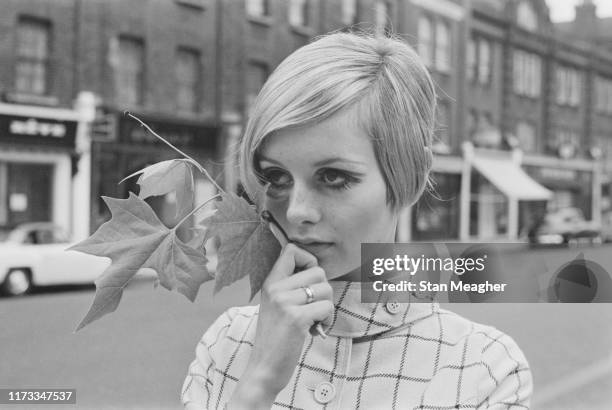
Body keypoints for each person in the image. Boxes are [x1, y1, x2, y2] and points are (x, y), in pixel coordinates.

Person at [181, 31, 533, 409]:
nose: (297, 210)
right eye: (276, 177)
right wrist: (258, 383)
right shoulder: (228, 342)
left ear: (410, 175)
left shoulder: (480, 366)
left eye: (333, 177)